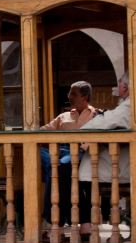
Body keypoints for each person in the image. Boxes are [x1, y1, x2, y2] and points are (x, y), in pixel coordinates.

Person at [76, 73, 133, 236]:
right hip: (124, 162)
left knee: (77, 173)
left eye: (119, 82)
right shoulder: (135, 104)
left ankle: (86, 223)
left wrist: (101, 117)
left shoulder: (130, 106)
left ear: (124, 87)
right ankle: (87, 223)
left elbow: (93, 126)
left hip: (122, 167)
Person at [40, 81, 98, 226]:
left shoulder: (96, 115)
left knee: (58, 171)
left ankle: (53, 220)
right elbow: (42, 131)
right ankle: (52, 165)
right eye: (69, 93)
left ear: (85, 97)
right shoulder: (63, 116)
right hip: (58, 152)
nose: (69, 97)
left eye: (73, 94)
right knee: (36, 151)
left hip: (79, 153)